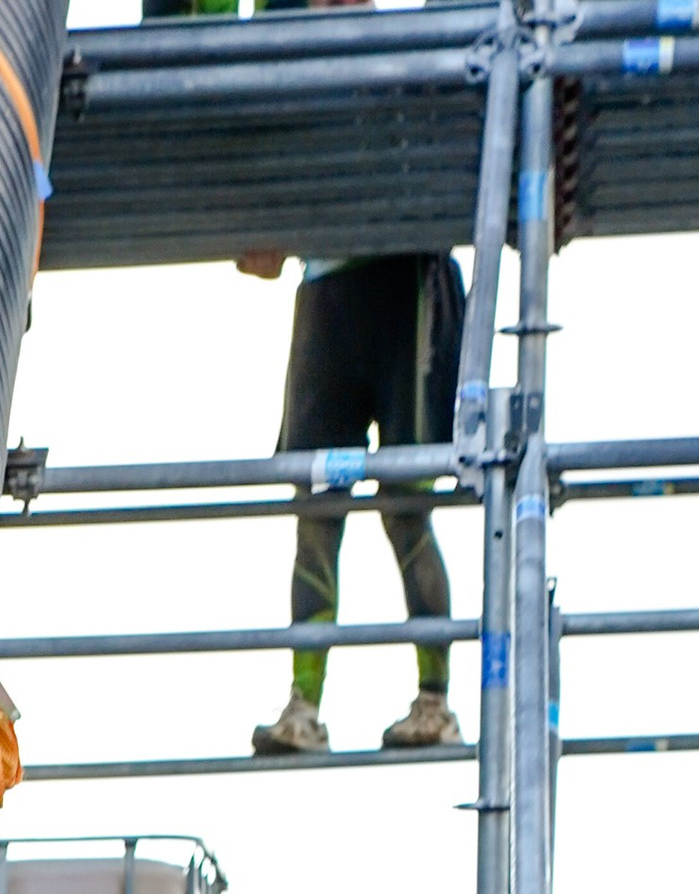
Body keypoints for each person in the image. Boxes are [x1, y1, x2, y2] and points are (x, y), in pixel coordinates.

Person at [241, 0, 466, 763]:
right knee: (316, 504)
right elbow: (260, 248)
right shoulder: (294, 67)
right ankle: (304, 707)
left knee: (406, 503)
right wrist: (257, 219)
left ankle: (434, 702)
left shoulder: (403, 60)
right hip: (327, 292)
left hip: (401, 281)